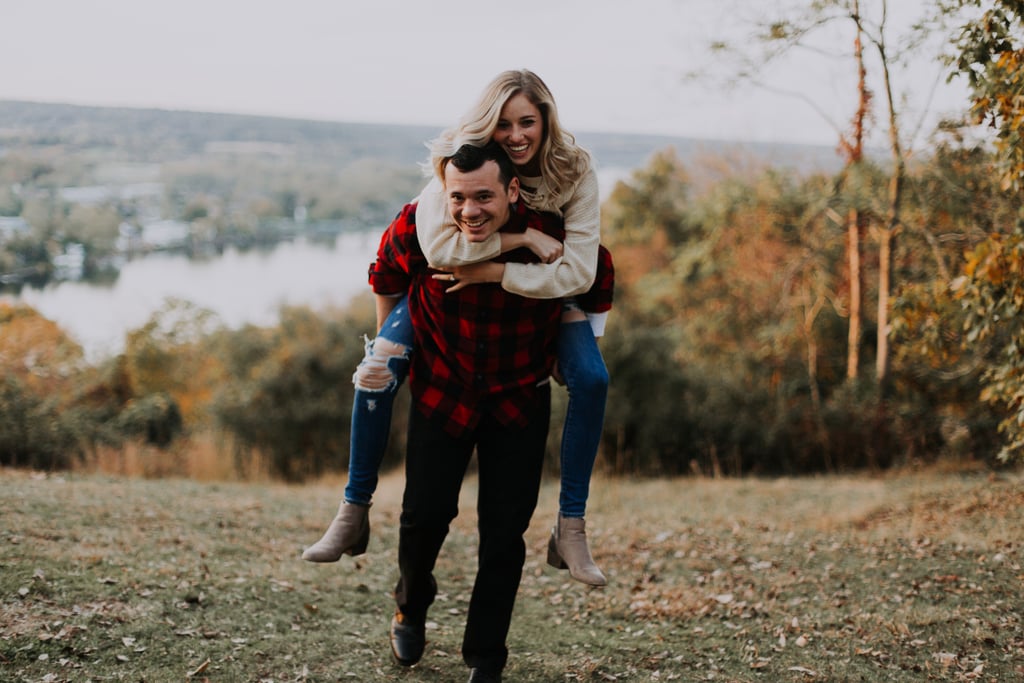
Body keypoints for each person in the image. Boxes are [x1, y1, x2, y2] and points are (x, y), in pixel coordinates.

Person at [302, 69, 611, 586]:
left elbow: (580, 270)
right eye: (504, 123)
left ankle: (571, 527)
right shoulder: (463, 159)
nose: (515, 135)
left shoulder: (574, 170)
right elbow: (439, 251)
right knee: (375, 370)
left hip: (553, 292)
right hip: (445, 289)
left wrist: (492, 270)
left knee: (594, 380)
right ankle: (353, 509)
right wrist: (523, 241)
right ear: (487, 125)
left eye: (527, 122)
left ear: (546, 120)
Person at [375, 142, 608, 681]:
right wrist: (394, 347)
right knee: (423, 518)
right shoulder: (424, 226)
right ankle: (411, 607)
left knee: (504, 535)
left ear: (510, 190)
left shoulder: (550, 232)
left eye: (484, 196)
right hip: (443, 392)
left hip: (518, 399)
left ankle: (486, 656)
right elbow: (385, 271)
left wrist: (574, 350)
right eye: (458, 197)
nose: (469, 210)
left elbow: (597, 277)